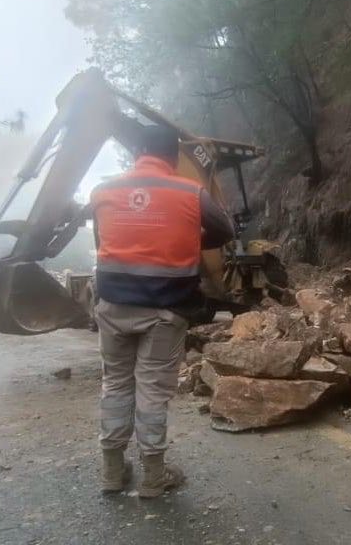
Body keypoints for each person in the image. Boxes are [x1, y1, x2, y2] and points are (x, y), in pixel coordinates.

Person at [88, 128, 234, 498]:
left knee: (116, 385)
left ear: (138, 152)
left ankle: (111, 471)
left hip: (112, 307)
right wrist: (187, 235)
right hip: (165, 310)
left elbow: (103, 239)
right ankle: (154, 476)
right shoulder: (190, 191)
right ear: (173, 157)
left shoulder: (103, 191)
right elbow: (224, 230)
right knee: (152, 391)